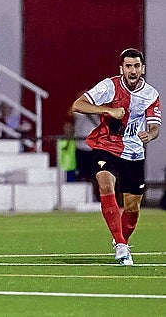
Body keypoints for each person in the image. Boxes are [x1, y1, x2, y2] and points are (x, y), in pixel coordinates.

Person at [71, 48, 160, 266]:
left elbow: (155, 125)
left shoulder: (151, 94)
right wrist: (107, 110)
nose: (132, 70)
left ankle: (122, 241)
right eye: (128, 66)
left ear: (143, 69)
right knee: (105, 184)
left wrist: (150, 134)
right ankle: (120, 244)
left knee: (132, 207)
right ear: (121, 69)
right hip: (106, 146)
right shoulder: (108, 86)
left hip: (134, 152)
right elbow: (78, 105)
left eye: (136, 66)